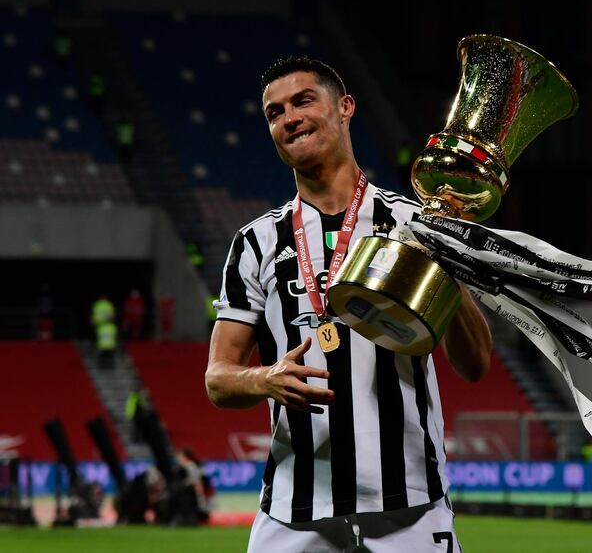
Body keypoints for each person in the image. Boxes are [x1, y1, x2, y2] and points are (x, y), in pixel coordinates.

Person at [206, 56, 492, 552]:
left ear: (345, 108)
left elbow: (475, 364)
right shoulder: (255, 243)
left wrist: (447, 265)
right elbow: (218, 377)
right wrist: (262, 378)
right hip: (294, 515)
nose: (288, 117)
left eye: (302, 100)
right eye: (274, 113)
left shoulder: (412, 224)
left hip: (410, 509)